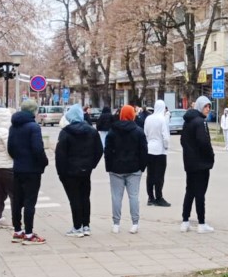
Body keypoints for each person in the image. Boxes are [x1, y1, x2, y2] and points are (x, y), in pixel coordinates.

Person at [56, 104, 103, 237]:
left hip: (70, 172)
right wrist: (91, 165)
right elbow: (99, 150)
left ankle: (77, 227)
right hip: (85, 171)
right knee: (85, 197)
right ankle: (86, 226)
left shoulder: (65, 132)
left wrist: (61, 172)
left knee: (74, 199)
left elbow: (60, 155)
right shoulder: (92, 131)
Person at [8, 99, 49, 244]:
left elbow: (10, 148)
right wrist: (44, 162)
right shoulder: (33, 127)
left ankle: (18, 230)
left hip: (18, 168)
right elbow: (38, 148)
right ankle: (29, 233)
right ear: (33, 111)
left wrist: (18, 159)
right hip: (32, 170)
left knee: (17, 200)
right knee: (30, 201)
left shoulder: (13, 126)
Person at [105, 105, 147, 234]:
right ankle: (135, 223)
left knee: (116, 197)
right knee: (133, 196)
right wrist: (142, 167)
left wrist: (109, 167)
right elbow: (144, 151)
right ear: (132, 115)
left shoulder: (113, 131)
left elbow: (107, 151)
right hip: (134, 169)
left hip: (116, 168)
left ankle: (116, 224)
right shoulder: (138, 131)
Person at [181, 96, 216, 233]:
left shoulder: (188, 121)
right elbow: (204, 142)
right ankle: (201, 223)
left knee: (190, 190)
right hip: (201, 163)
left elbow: (183, 141)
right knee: (200, 192)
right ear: (200, 106)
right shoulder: (200, 122)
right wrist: (210, 157)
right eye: (206, 106)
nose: (208, 109)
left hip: (190, 163)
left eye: (209, 107)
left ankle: (185, 221)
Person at [144, 100, 172, 207]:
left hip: (150, 149)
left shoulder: (148, 118)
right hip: (160, 151)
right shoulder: (162, 119)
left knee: (150, 174)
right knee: (159, 175)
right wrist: (166, 147)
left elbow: (145, 133)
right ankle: (159, 197)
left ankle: (150, 198)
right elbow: (165, 136)